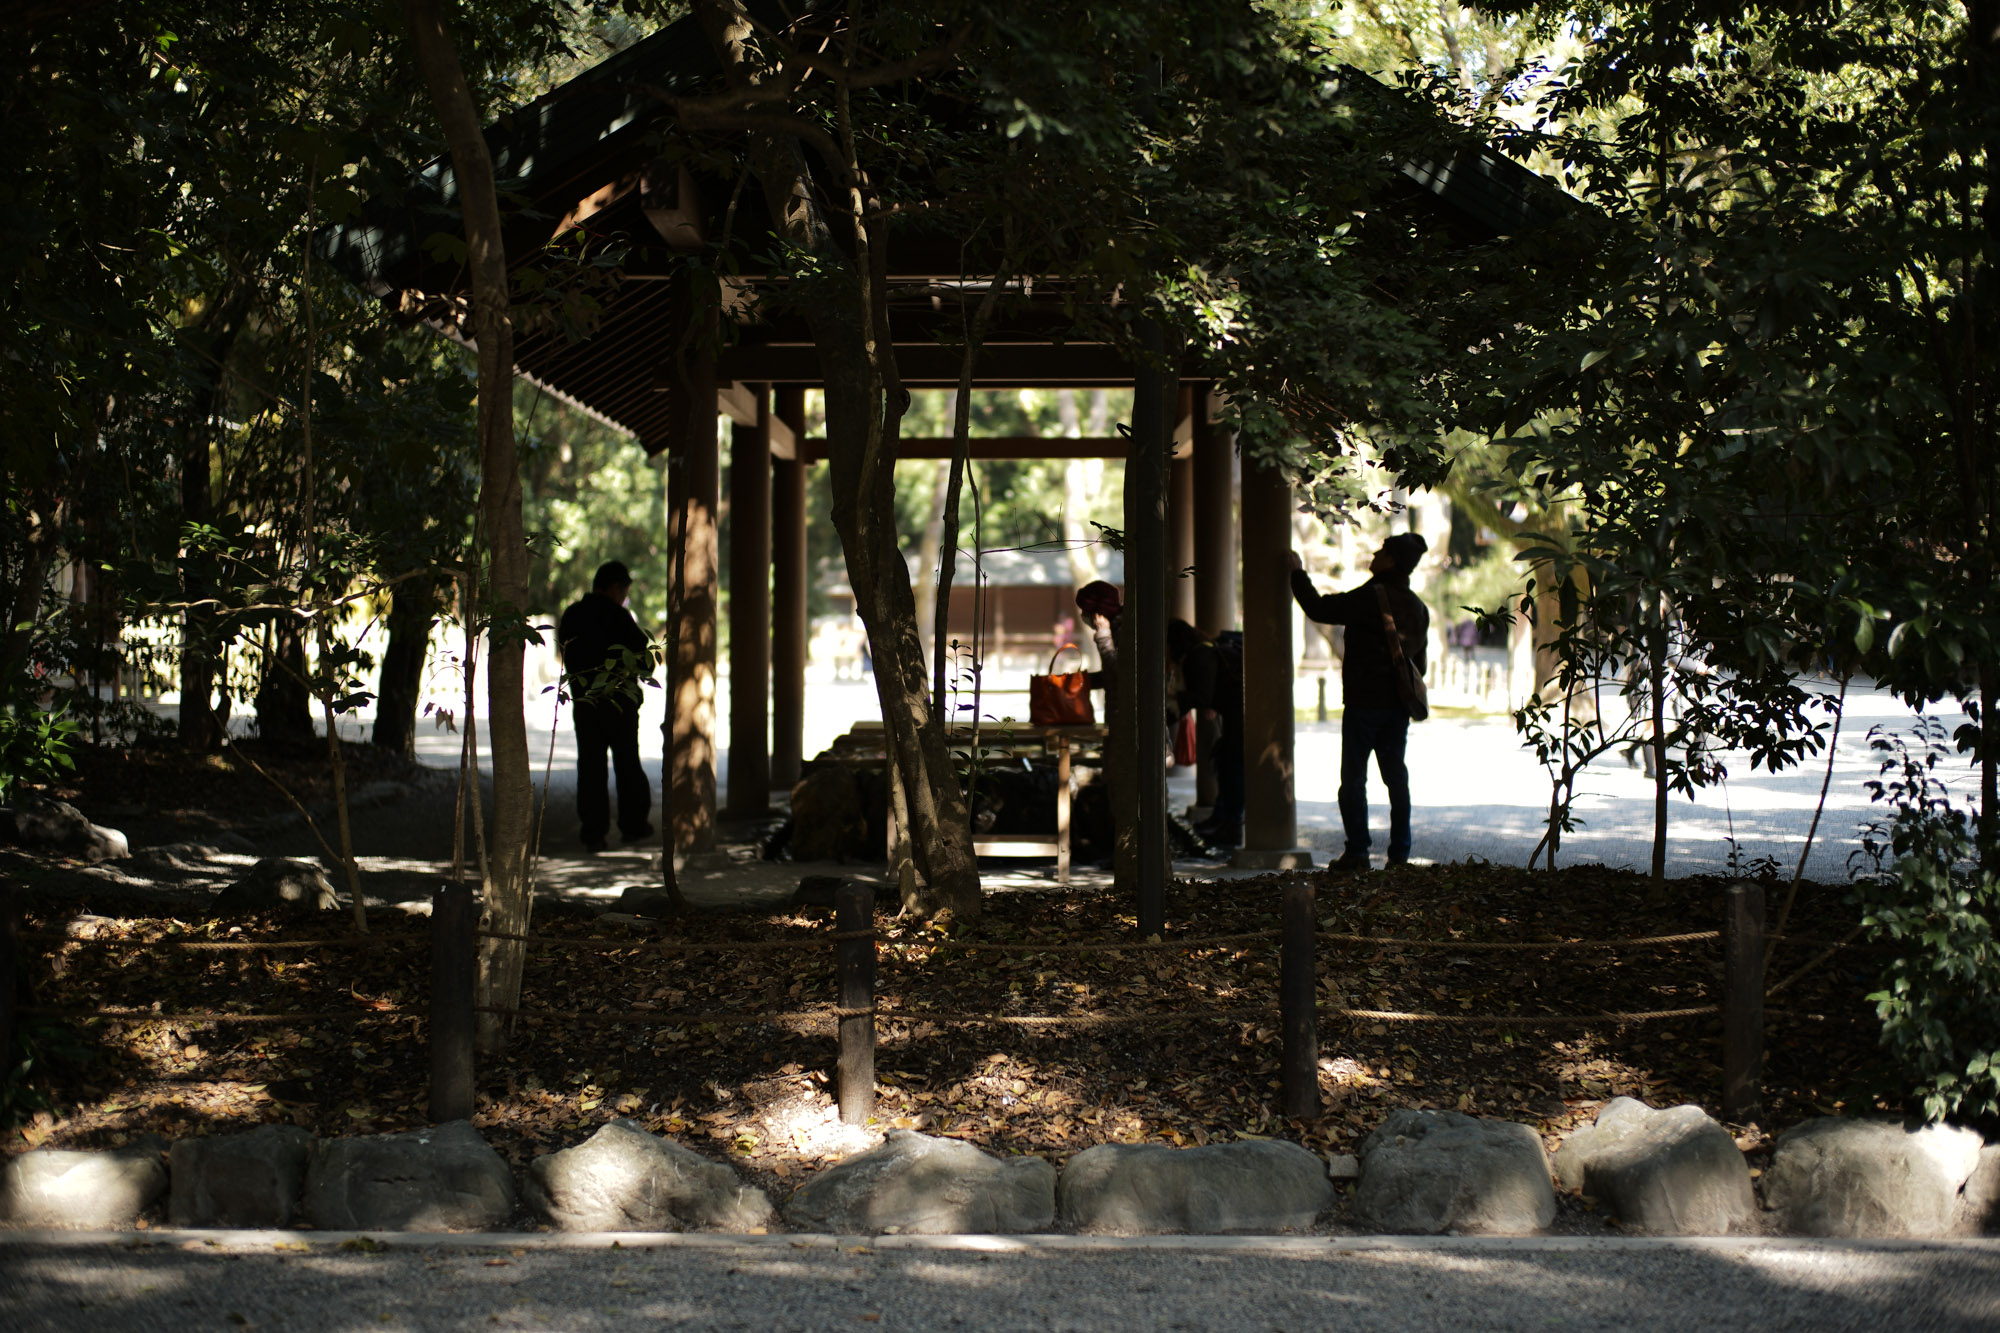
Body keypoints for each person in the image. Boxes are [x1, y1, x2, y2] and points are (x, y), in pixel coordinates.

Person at [1289, 533, 1429, 870]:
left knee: (1353, 779)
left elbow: (1320, 609)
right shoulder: (1418, 607)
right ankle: (1399, 854)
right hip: (1398, 708)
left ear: (1392, 560)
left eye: (1382, 551)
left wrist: (1296, 573)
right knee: (1397, 779)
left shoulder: (1372, 597)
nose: (1375, 553)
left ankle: (1357, 852)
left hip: (1364, 703)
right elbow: (1418, 666)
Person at [557, 560, 655, 853]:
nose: (624, 597)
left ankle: (594, 833)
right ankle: (633, 826)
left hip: (586, 705)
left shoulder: (572, 615)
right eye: (624, 591)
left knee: (590, 767)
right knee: (627, 764)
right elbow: (645, 662)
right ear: (615, 587)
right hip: (620, 705)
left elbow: (568, 655)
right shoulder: (619, 617)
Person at [1167, 619, 1245, 848]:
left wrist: (1173, 702)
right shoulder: (1199, 653)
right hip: (1232, 712)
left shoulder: (1199, 656)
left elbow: (1201, 697)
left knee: (1233, 765)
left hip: (1240, 712)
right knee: (1226, 761)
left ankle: (1231, 824)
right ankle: (1223, 818)